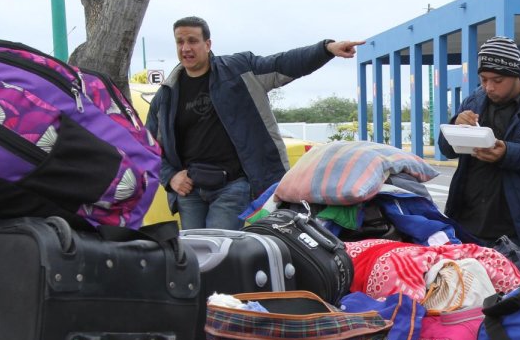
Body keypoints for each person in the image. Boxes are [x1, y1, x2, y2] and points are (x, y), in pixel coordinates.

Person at [145, 16, 363, 229]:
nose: (185, 48)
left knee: (220, 252)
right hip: (189, 190)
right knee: (193, 255)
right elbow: (147, 144)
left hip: (233, 186)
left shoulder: (239, 70)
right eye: (180, 42)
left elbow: (283, 63)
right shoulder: (166, 94)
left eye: (192, 41)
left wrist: (326, 49)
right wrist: (170, 176)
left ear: (208, 44)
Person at [438, 36, 520, 259]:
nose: (489, 87)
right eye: (483, 79)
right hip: (472, 223)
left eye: (497, 80)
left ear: (516, 74)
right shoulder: (473, 101)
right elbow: (447, 149)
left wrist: (508, 153)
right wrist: (455, 125)